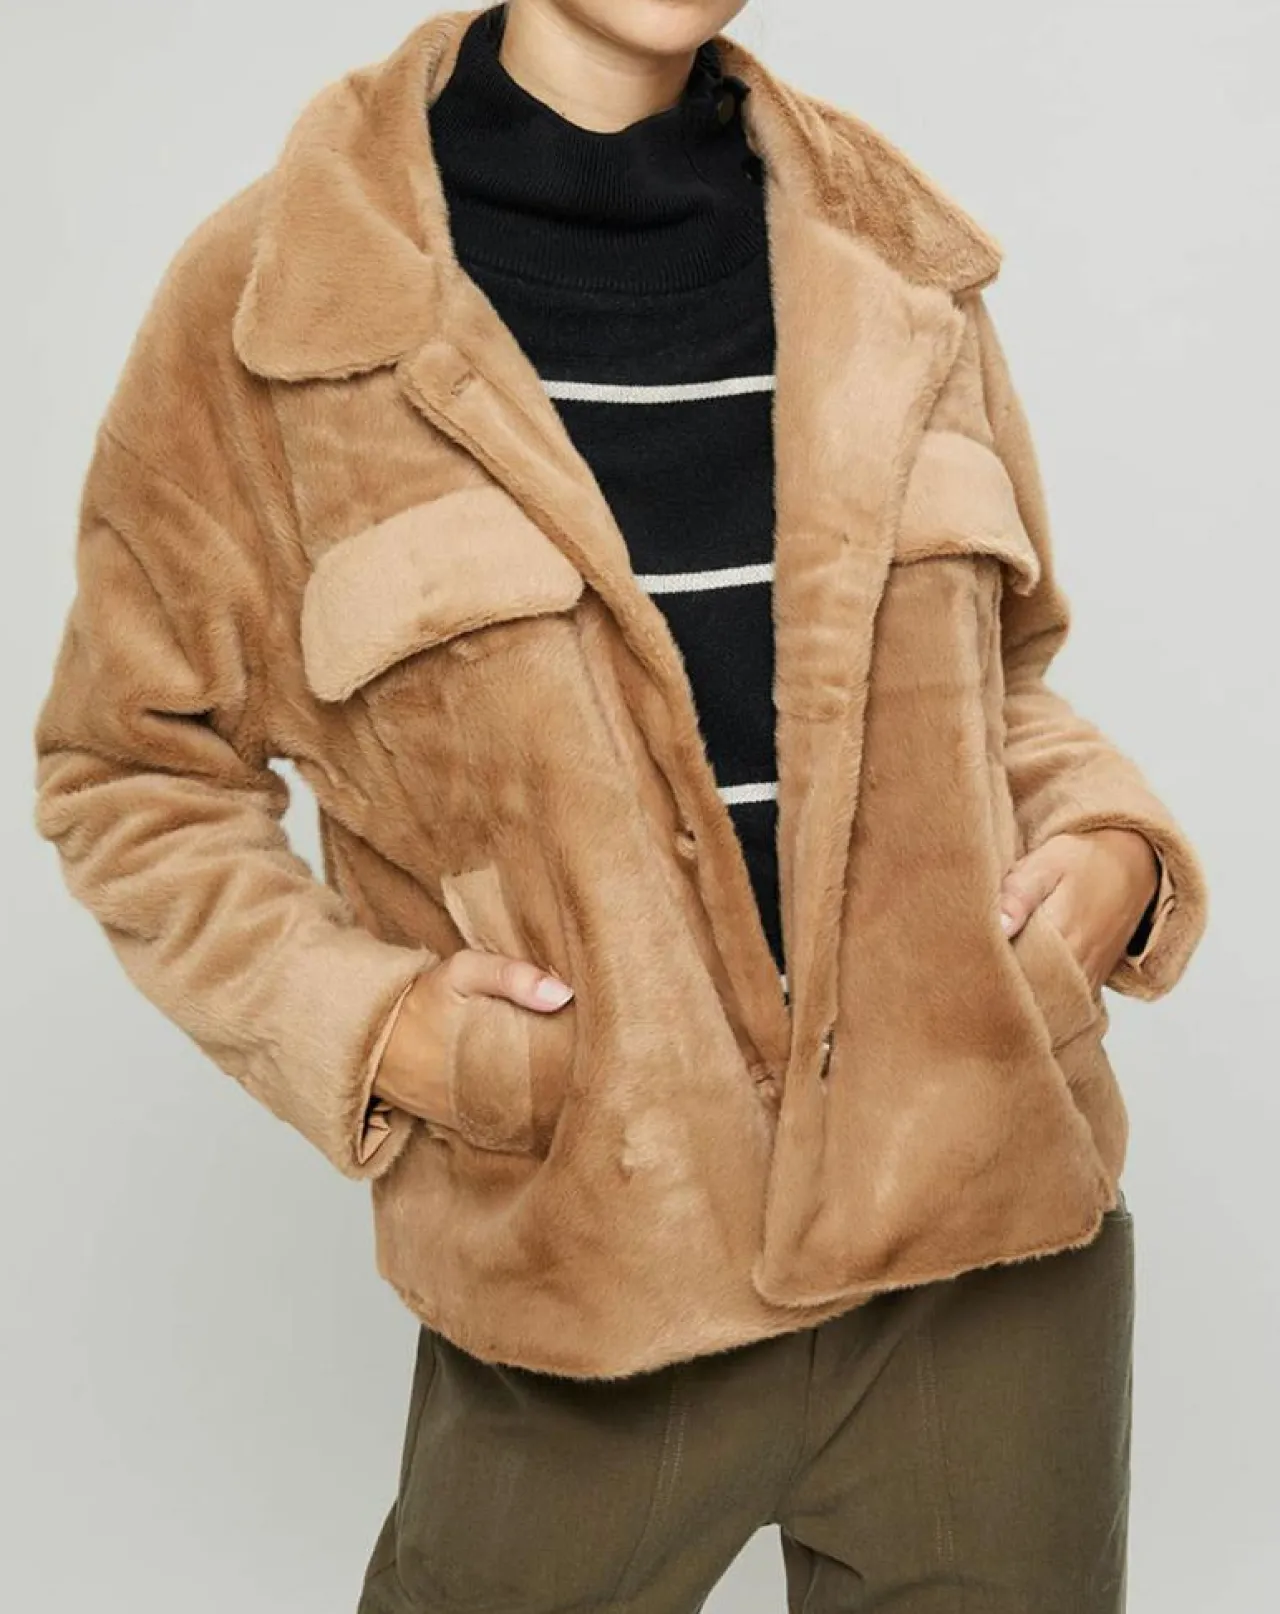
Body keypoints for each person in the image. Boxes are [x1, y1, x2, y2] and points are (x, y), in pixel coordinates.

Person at [32, 2, 1209, 1608]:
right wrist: (383, 1031)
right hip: (582, 1278)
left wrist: (1108, 844)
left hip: (991, 1267)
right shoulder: (280, 299)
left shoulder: (892, 251)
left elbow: (997, 683)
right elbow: (128, 770)